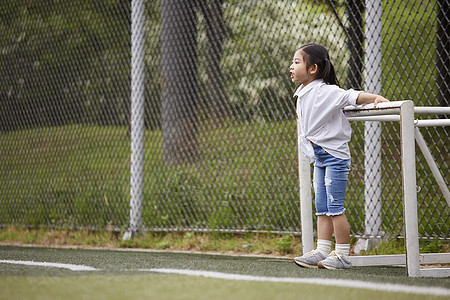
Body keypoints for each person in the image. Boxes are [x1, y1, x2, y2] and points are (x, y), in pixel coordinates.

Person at [290, 43, 389, 270]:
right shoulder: (304, 92)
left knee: (335, 207)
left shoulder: (325, 91)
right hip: (319, 157)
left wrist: (376, 97)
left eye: (297, 62)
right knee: (322, 206)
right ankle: (322, 251)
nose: (291, 67)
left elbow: (349, 96)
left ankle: (342, 255)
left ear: (313, 68)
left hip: (334, 156)